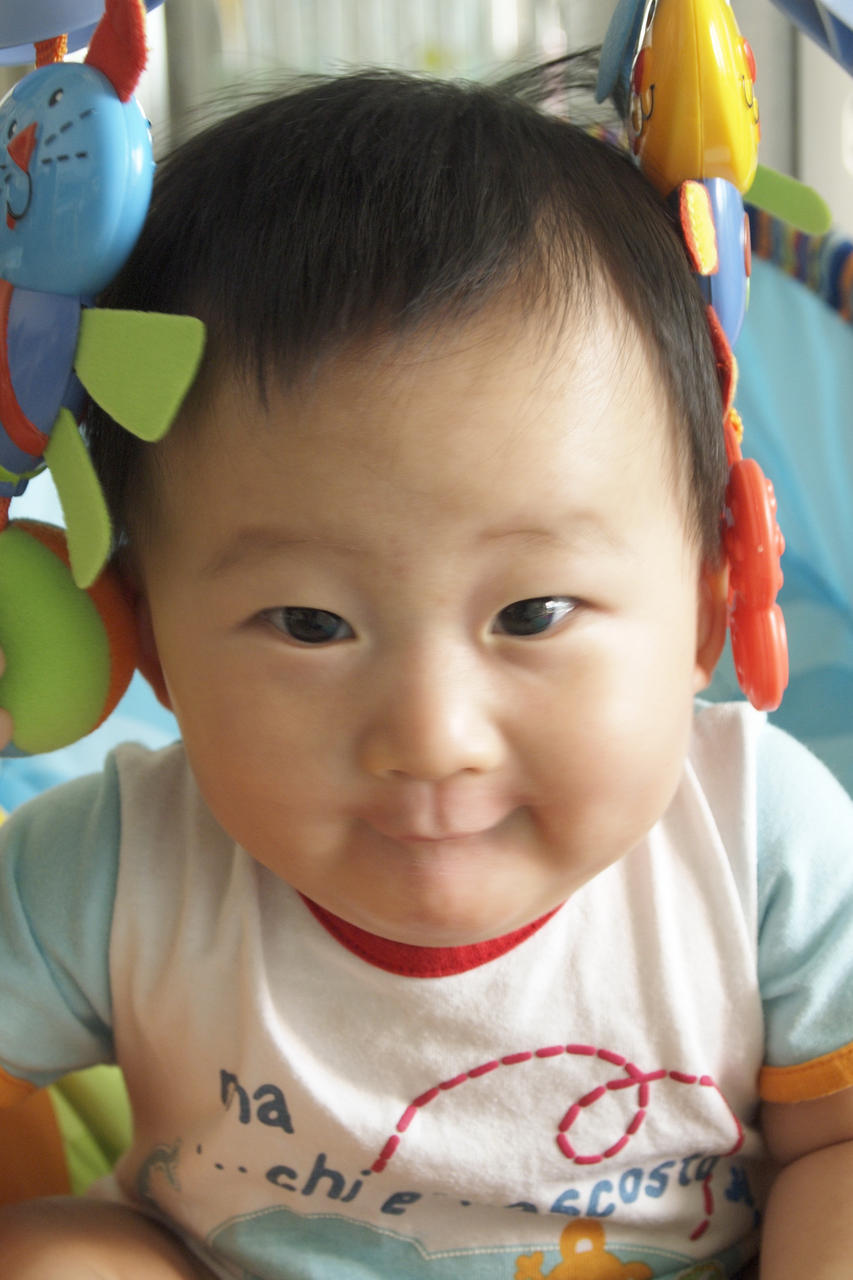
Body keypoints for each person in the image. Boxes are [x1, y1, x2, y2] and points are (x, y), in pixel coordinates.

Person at [0, 58, 852, 1280]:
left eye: (532, 612)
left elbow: (838, 1145)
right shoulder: (118, 864)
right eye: (308, 623)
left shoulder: (760, 843)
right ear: (155, 644)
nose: (430, 733)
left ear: (709, 607)